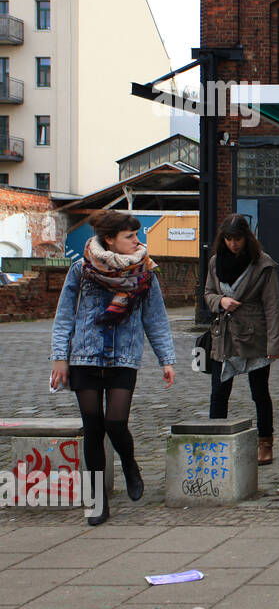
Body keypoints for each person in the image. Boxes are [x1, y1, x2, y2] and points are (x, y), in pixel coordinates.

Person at [50, 211, 176, 526]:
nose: (138, 241)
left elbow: (155, 318)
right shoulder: (82, 270)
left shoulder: (145, 271)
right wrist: (59, 357)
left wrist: (166, 359)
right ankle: (96, 502)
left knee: (116, 423)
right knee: (93, 429)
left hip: (124, 357)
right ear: (111, 240)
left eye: (137, 235)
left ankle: (130, 466)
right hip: (85, 357)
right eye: (130, 236)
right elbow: (65, 315)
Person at [205, 214, 279, 465]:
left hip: (255, 334)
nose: (233, 244)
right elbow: (207, 293)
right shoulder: (216, 262)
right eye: (228, 239)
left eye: (237, 239)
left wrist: (274, 344)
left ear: (246, 238)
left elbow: (272, 305)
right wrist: (221, 301)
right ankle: (215, 441)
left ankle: (265, 442)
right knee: (219, 392)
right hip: (224, 334)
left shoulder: (262, 264)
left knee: (259, 392)